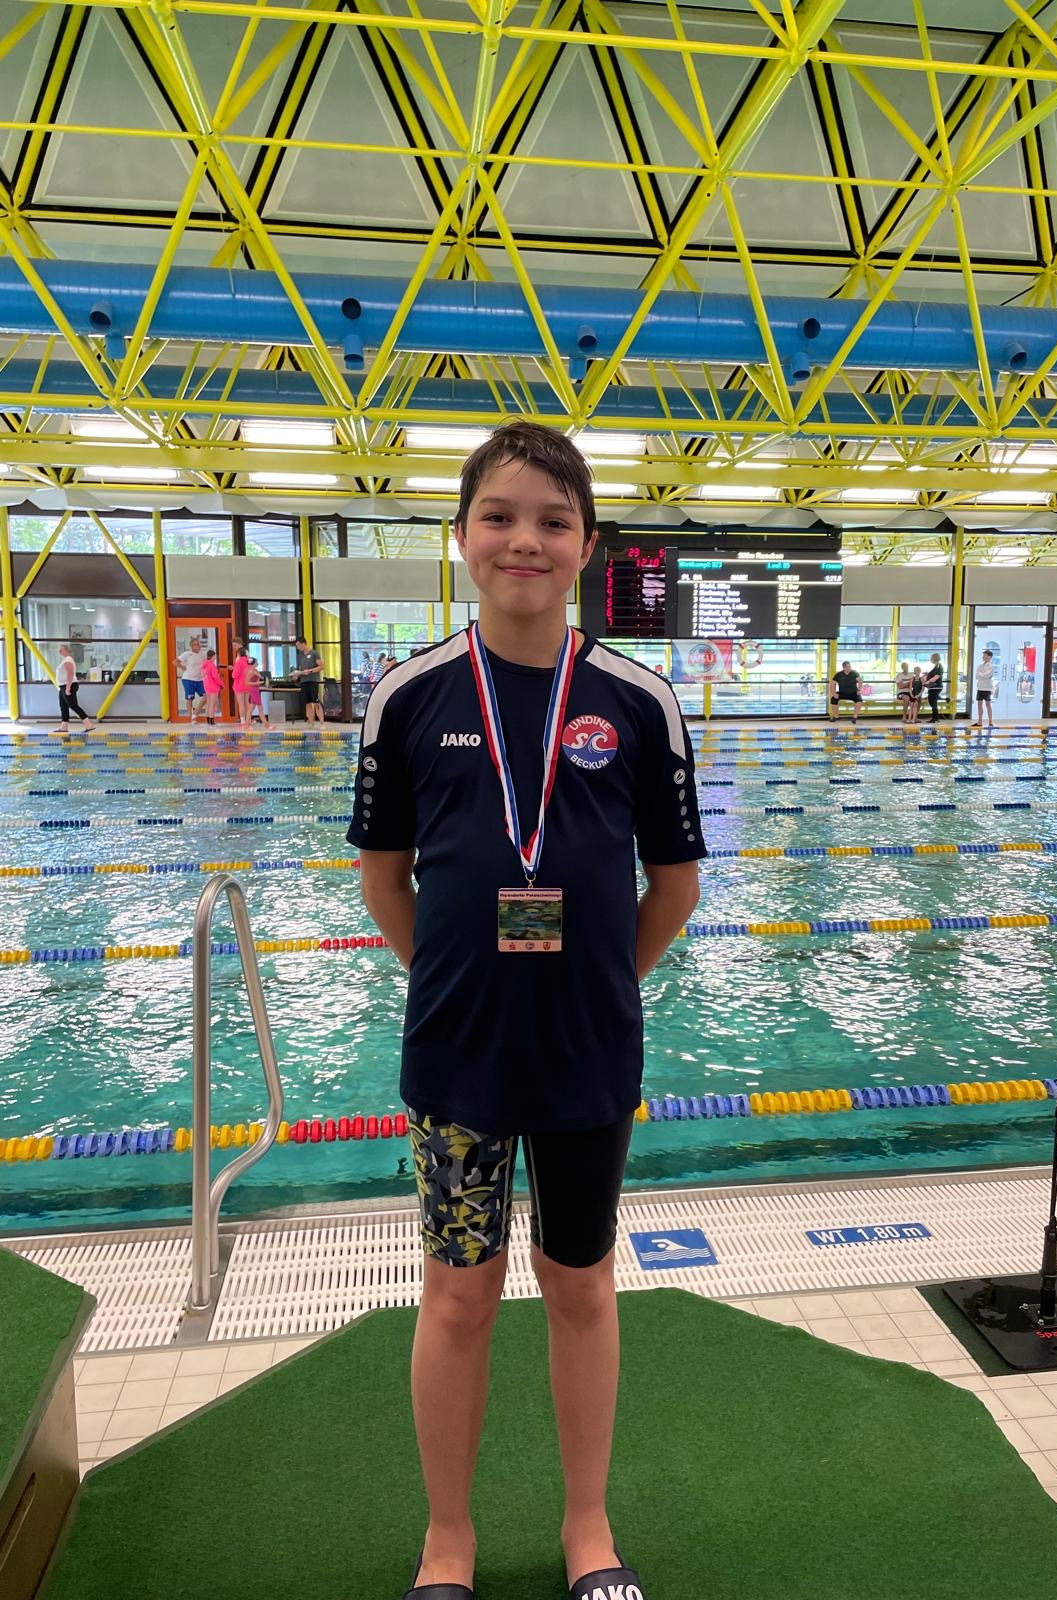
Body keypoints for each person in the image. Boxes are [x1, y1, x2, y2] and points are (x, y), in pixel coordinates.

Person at [349, 421, 703, 1600]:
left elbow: (675, 886)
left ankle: (587, 1530)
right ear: (461, 534)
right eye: (499, 515)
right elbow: (385, 881)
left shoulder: (638, 700)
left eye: (554, 520)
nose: (524, 540)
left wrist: (598, 988)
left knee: (582, 1284)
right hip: (457, 1056)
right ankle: (447, 1542)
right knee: (458, 1294)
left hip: (587, 1054)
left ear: (587, 545)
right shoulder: (407, 696)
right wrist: (454, 984)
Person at [54, 644, 93, 733]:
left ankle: (88, 724)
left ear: (67, 650)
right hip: (63, 686)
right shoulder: (65, 660)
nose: (59, 651)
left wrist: (68, 688)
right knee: (63, 706)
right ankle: (64, 726)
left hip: (68, 685)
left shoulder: (68, 660)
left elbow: (70, 674)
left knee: (73, 705)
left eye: (61, 649)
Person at [294, 636, 325, 724]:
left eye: (298, 645)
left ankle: (322, 722)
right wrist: (297, 674)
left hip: (312, 681)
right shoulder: (300, 656)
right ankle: (311, 722)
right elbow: (301, 669)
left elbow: (321, 666)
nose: (298, 648)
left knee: (316, 702)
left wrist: (310, 671)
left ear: (303, 643)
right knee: (307, 703)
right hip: (304, 682)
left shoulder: (314, 653)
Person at [175, 634, 205, 721]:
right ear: (192, 646)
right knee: (190, 698)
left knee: (207, 695)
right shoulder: (187, 654)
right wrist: (183, 668)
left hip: (200, 679)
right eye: (197, 644)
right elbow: (175, 662)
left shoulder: (202, 654)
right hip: (188, 679)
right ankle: (192, 718)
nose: (199, 646)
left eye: (199, 644)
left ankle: (196, 711)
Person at [200, 649, 223, 725]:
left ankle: (208, 718)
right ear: (213, 656)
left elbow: (204, 675)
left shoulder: (204, 665)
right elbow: (215, 677)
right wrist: (221, 684)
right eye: (214, 656)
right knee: (213, 703)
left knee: (209, 703)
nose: (215, 658)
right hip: (213, 686)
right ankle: (211, 719)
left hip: (206, 685)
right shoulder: (211, 665)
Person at [231, 646, 251, 728]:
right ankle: (248, 721)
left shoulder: (238, 662)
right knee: (247, 703)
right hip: (248, 685)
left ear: (239, 654)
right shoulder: (249, 662)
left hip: (239, 685)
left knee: (241, 704)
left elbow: (235, 675)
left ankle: (243, 721)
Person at [975, 648, 995, 727]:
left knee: (988, 704)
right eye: (983, 655)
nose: (983, 657)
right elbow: (977, 676)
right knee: (979, 704)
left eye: (984, 655)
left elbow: (987, 675)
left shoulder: (991, 666)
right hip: (980, 687)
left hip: (987, 688)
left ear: (989, 657)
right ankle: (980, 721)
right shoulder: (980, 666)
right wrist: (982, 675)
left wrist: (981, 675)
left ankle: (990, 721)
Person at [245, 657, 268, 728]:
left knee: (251, 709)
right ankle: (267, 725)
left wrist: (261, 680)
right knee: (260, 708)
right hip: (254, 691)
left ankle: (247, 725)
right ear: (253, 663)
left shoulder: (255, 670)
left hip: (256, 691)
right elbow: (247, 682)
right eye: (256, 662)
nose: (258, 663)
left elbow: (261, 678)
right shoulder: (250, 672)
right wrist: (257, 683)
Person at [923, 653, 944, 722]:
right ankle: (935, 717)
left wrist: (928, 681)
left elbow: (937, 676)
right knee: (932, 701)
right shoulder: (936, 666)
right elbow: (934, 675)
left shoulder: (938, 666)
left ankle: (935, 718)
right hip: (933, 687)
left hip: (936, 687)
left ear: (935, 658)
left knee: (933, 702)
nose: (930, 659)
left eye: (931, 658)